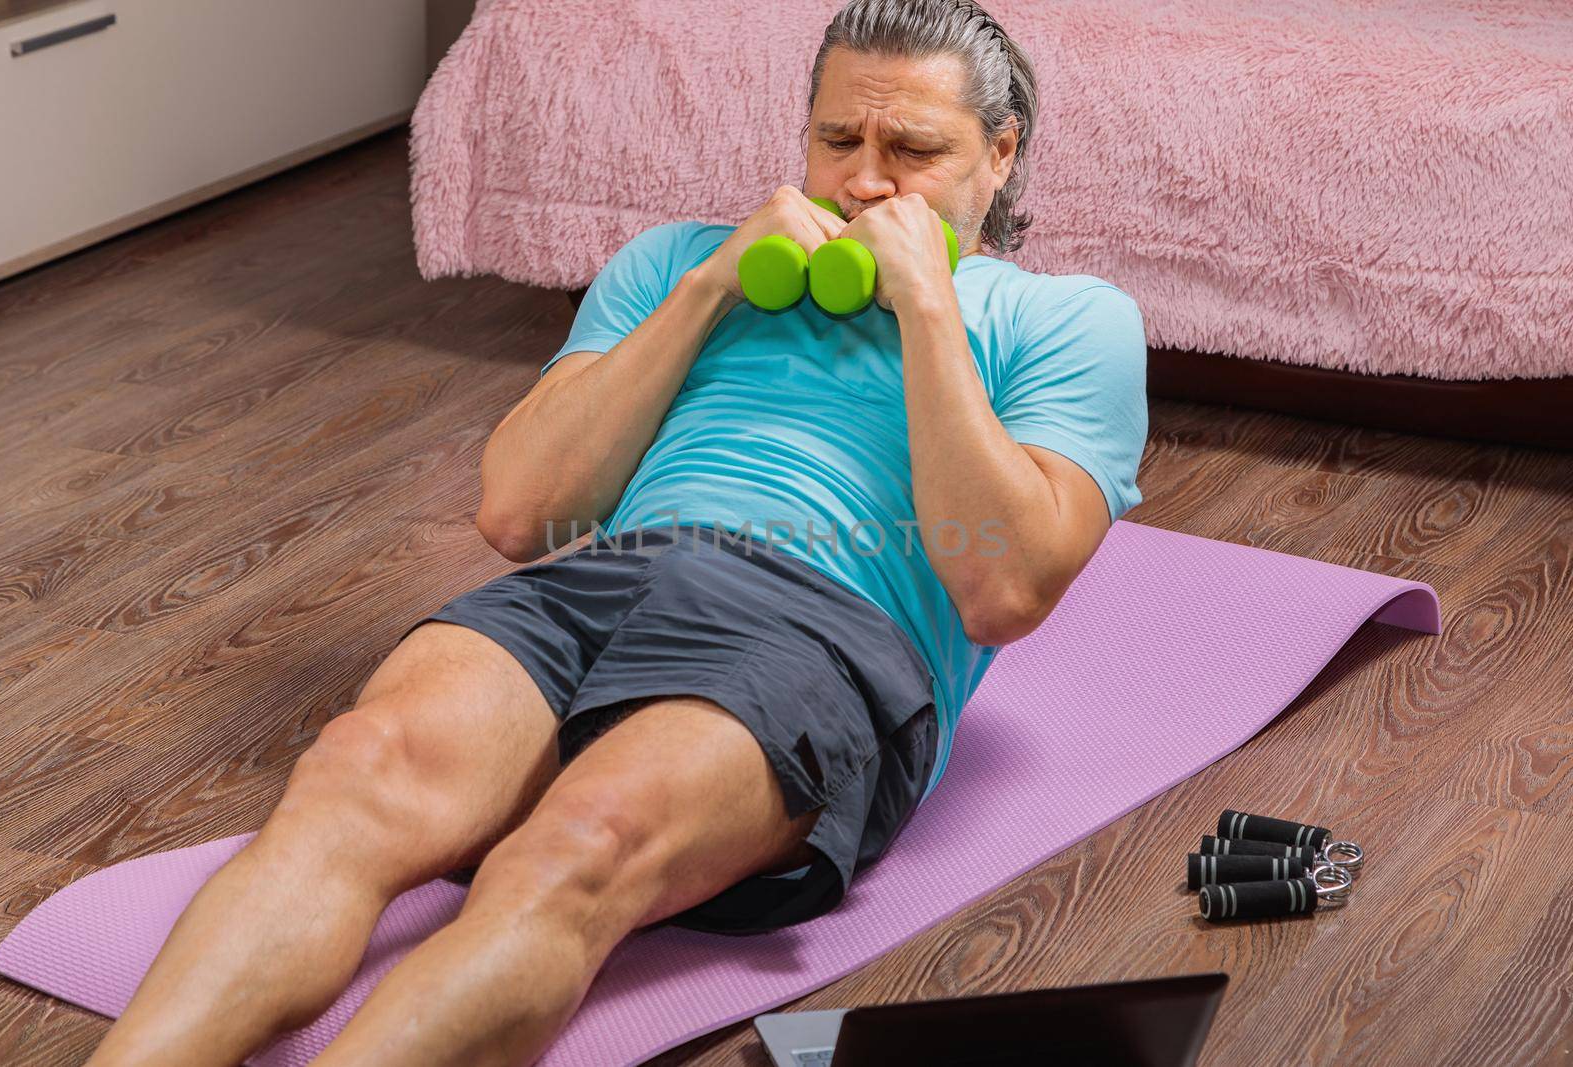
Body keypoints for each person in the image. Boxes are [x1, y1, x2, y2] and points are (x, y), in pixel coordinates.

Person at [85, 1, 1147, 1064]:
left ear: (1000, 154)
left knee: (572, 847)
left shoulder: (1065, 321)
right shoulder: (679, 263)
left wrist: (926, 307)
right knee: (356, 770)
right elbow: (518, 511)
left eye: (913, 150)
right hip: (606, 574)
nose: (864, 180)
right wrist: (709, 286)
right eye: (837, 141)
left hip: (823, 624)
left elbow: (1003, 589)